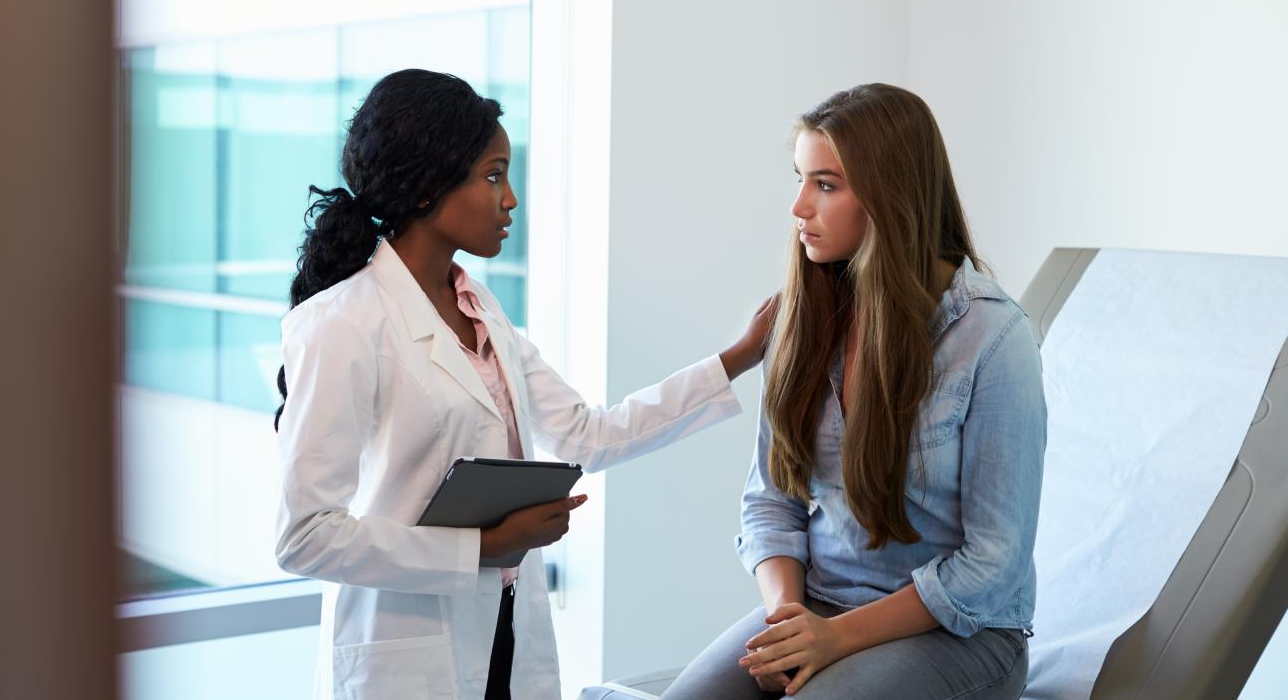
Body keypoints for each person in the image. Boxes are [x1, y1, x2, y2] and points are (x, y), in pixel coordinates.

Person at [271, 68, 773, 700]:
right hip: (408, 655)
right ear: (428, 185)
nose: (510, 199)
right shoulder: (342, 322)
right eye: (492, 175)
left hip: (507, 631)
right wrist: (479, 548)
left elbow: (588, 435)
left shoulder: (479, 307)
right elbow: (305, 536)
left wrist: (739, 356)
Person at [663, 84, 1046, 699]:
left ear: (891, 195)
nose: (798, 207)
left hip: (959, 636)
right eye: (799, 178)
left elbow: (992, 565)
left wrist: (835, 639)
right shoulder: (801, 317)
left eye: (825, 184)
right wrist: (790, 622)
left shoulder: (994, 338)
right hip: (818, 605)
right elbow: (771, 502)